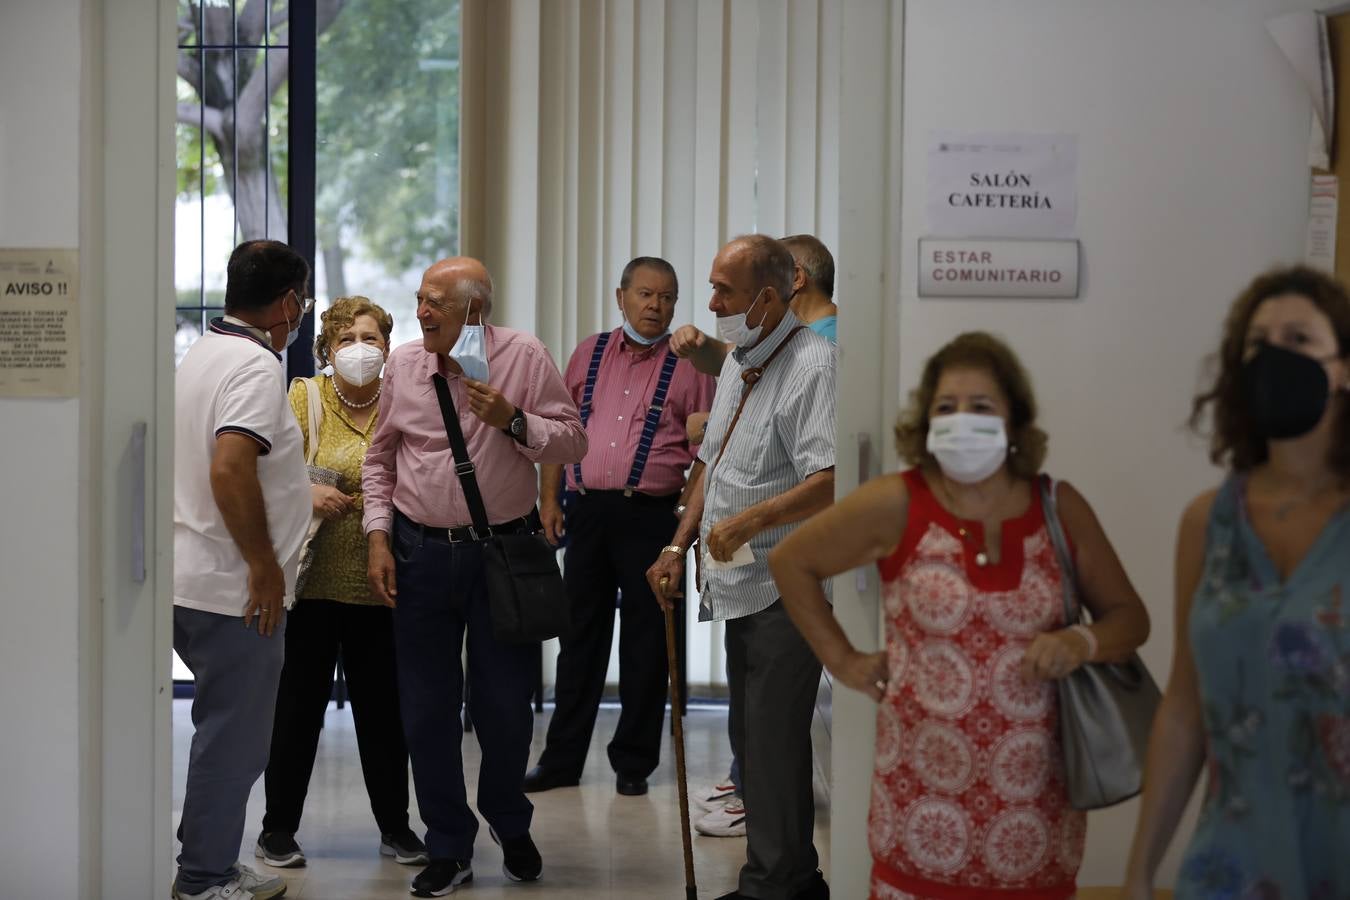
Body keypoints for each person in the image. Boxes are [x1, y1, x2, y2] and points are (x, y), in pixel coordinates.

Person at [769, 331, 1150, 900]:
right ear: (924, 421)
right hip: (919, 816)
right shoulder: (899, 502)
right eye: (945, 408)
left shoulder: (1058, 506)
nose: (961, 420)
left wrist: (1080, 642)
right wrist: (842, 659)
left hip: (1036, 821)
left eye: (981, 407)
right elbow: (791, 559)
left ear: (1014, 420)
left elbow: (1129, 620)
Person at [362, 257, 587, 898]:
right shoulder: (404, 365)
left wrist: (514, 422)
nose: (422, 312)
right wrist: (378, 536)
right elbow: (381, 458)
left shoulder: (524, 356)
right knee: (427, 710)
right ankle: (449, 845)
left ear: (474, 311)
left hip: (502, 558)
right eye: (420, 300)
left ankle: (509, 823)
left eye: (435, 302)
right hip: (419, 555)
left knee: (505, 710)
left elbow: (574, 442)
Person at [1123, 266, 1350, 899]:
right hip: (1234, 864)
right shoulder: (1209, 522)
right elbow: (1185, 709)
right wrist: (1139, 872)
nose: (1275, 356)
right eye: (1258, 343)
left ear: (1345, 367)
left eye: (1299, 338)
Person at [647, 235, 836, 900]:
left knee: (776, 741)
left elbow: (830, 479)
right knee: (754, 742)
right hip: (735, 583)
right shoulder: (740, 363)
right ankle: (778, 878)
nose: (712, 302)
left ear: (770, 294)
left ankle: (781, 884)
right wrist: (678, 543)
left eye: (725, 290)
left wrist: (749, 522)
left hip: (786, 584)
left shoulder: (813, 365)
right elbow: (712, 461)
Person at [523, 257, 715, 797]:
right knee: (578, 639)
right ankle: (561, 760)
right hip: (587, 513)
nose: (657, 306)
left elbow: (707, 450)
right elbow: (561, 430)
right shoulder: (589, 351)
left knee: (648, 645)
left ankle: (634, 763)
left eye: (668, 297)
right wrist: (548, 499)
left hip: (652, 517)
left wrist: (683, 532)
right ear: (621, 296)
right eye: (646, 294)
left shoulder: (693, 365)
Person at [254, 296, 427, 870]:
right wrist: (306, 493)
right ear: (327, 349)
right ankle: (277, 828)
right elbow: (269, 470)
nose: (361, 349)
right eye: (348, 339)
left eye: (373, 338)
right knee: (296, 710)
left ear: (389, 346)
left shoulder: (402, 401)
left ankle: (396, 828)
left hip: (380, 583)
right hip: (310, 584)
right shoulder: (304, 397)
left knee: (384, 712)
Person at [172, 239, 315, 900]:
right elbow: (230, 466)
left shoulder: (201, 353)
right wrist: (264, 567)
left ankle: (213, 862)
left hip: (188, 575)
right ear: (288, 303)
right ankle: (202, 880)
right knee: (235, 743)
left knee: (221, 734)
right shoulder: (256, 366)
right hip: (234, 589)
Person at [672, 232, 838, 389]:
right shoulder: (802, 332)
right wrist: (696, 343)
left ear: (795, 277)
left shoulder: (825, 346)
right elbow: (728, 358)